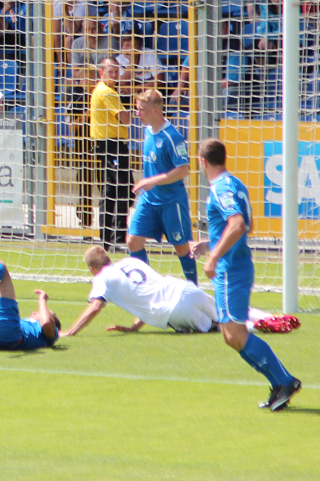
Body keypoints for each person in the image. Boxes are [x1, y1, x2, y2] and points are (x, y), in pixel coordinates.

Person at [190, 138, 301, 411]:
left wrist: (215, 256)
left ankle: (285, 380)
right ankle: (279, 385)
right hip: (234, 267)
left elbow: (238, 224)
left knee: (236, 334)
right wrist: (210, 245)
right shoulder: (236, 184)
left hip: (231, 270)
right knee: (230, 336)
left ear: (203, 162)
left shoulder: (221, 188)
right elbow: (244, 225)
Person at [124, 88, 200, 282]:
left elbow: (183, 170)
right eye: (136, 109)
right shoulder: (147, 132)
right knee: (133, 241)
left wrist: (152, 181)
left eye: (141, 110)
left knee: (182, 247)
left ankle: (193, 289)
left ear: (156, 111)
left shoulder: (172, 137)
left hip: (171, 201)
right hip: (149, 200)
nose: (137, 113)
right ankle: (147, 287)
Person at [62, 245, 220, 335]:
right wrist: (134, 327)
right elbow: (148, 292)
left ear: (92, 268)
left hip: (173, 309)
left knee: (219, 329)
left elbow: (95, 306)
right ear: (109, 258)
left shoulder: (102, 278)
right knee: (235, 318)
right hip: (184, 288)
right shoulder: (131, 261)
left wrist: (71, 331)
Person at [91, 57, 131, 251]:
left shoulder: (102, 90)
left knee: (113, 190)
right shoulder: (108, 93)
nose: (115, 75)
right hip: (112, 145)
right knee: (118, 191)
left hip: (106, 145)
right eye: (111, 71)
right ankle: (117, 238)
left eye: (117, 71)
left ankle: (107, 238)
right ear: (101, 72)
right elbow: (125, 119)